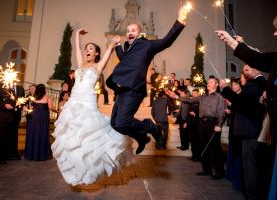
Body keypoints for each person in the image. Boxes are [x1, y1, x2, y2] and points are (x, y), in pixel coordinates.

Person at [51, 28, 133, 186]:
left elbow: (108, 51)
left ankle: (89, 168)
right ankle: (75, 167)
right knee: (71, 134)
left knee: (88, 134)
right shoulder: (81, 64)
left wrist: (114, 43)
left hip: (87, 101)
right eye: (86, 48)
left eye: (91, 49)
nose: (87, 50)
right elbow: (77, 48)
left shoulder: (98, 66)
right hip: (74, 100)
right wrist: (76, 35)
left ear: (96, 53)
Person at [106, 5, 189, 154]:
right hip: (121, 90)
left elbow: (166, 41)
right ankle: (142, 138)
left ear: (139, 33)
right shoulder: (128, 48)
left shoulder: (147, 45)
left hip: (134, 90)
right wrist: (118, 46)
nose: (129, 32)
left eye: (133, 30)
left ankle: (152, 127)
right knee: (115, 124)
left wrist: (180, 20)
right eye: (128, 31)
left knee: (122, 122)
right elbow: (125, 61)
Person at [216, 17, 277, 199]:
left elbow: (243, 101)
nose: (274, 33)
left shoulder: (256, 83)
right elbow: (257, 57)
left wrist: (226, 90)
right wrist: (231, 41)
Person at [169, 77, 225, 180]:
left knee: (215, 148)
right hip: (201, 123)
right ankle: (206, 170)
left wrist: (219, 124)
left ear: (216, 85)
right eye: (208, 82)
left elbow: (221, 112)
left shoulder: (219, 97)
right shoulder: (202, 96)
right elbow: (189, 100)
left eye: (211, 82)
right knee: (203, 147)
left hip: (213, 123)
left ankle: (219, 172)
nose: (208, 83)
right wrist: (176, 96)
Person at [24, 84, 58, 161]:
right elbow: (51, 108)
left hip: (33, 119)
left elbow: (28, 106)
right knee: (42, 135)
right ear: (44, 89)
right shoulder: (47, 97)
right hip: (43, 119)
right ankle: (40, 155)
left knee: (33, 135)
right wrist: (57, 111)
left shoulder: (33, 97)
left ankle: (31, 155)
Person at [188, 88, 200, 161]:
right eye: (193, 93)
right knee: (192, 140)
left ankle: (198, 156)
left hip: (198, 124)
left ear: (198, 93)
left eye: (195, 93)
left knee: (197, 141)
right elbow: (188, 110)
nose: (194, 94)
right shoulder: (191, 101)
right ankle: (193, 155)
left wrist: (195, 114)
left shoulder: (200, 101)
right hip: (191, 123)